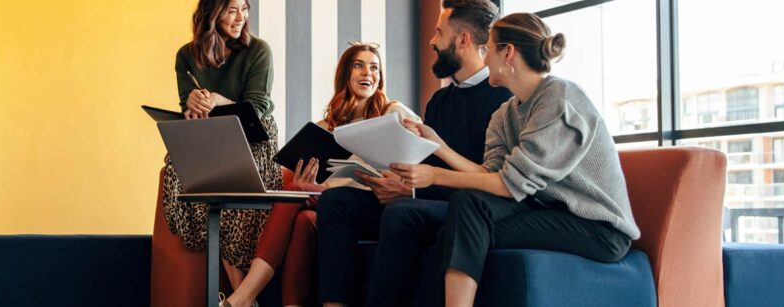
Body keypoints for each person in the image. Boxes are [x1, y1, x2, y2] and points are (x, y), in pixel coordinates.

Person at [390, 12, 640, 307]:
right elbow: (489, 174)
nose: (483, 60)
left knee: (463, 225)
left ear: (508, 52)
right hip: (549, 212)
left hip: (597, 227)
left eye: (489, 49)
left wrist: (435, 175)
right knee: (462, 216)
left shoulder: (558, 99)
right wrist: (438, 145)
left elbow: (509, 185)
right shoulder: (505, 114)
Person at [315, 1, 512, 306]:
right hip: (427, 195)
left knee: (401, 213)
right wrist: (391, 180)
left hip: (466, 207)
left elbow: (489, 182)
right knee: (336, 202)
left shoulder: (503, 100)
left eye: (439, 32)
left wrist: (411, 193)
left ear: (463, 40)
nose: (432, 41)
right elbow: (426, 163)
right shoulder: (439, 101)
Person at [226, 42, 421, 307]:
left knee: (294, 193)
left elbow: (423, 148)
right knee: (304, 219)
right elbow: (324, 181)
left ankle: (244, 296)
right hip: (332, 202)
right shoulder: (326, 126)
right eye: (359, 65)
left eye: (374, 68)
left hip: (374, 201)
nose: (368, 73)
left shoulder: (393, 112)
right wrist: (309, 183)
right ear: (345, 74)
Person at [162, 1, 280, 306]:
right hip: (211, 139)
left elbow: (258, 108)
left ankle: (239, 299)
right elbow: (186, 108)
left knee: (229, 187)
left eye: (245, 8)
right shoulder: (186, 56)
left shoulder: (258, 50)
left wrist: (217, 100)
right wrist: (193, 106)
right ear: (212, 13)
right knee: (178, 169)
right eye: (231, 9)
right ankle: (245, 301)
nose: (241, 17)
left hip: (255, 140)